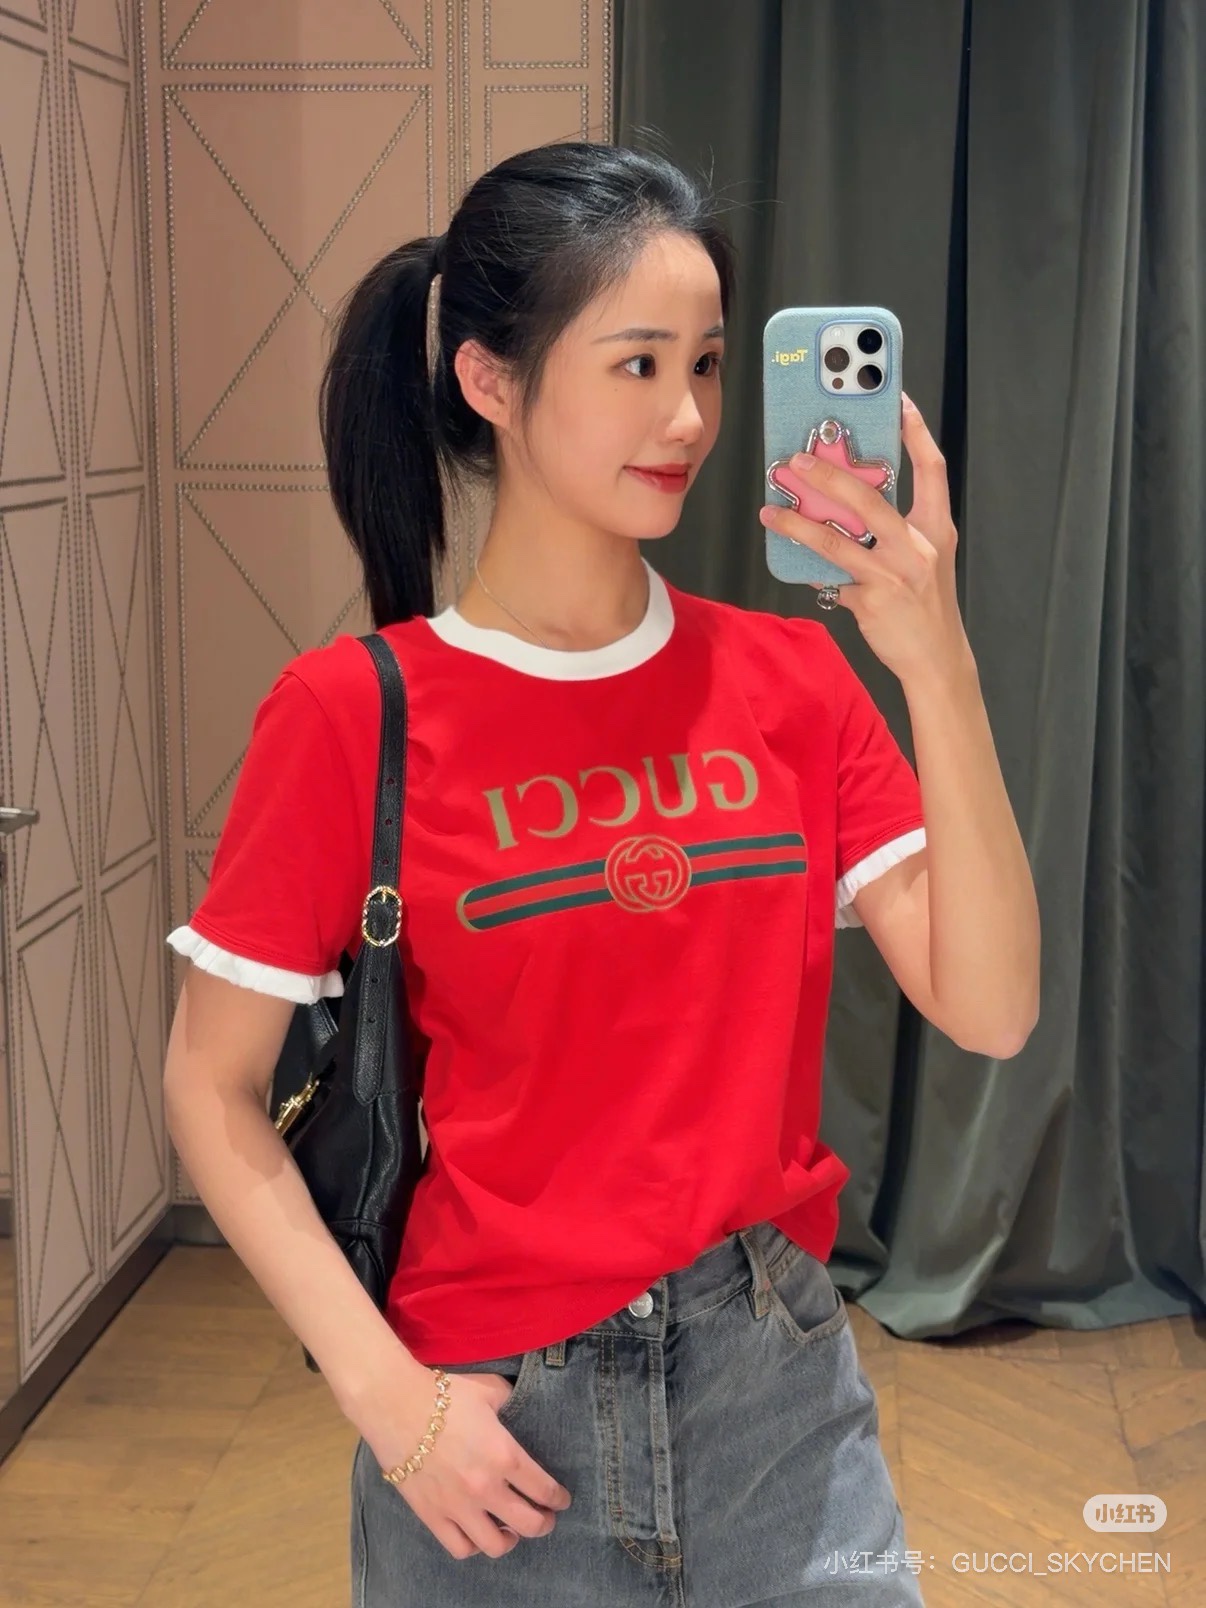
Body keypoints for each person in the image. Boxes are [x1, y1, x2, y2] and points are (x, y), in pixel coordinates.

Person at [162, 140, 1039, 1605]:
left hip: (777, 1401)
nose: (688, 416)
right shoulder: (352, 713)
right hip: (494, 1429)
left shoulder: (791, 683)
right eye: (636, 364)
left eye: (705, 363)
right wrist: (391, 1401)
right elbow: (211, 1084)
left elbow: (994, 1009)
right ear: (489, 381)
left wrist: (935, 662)